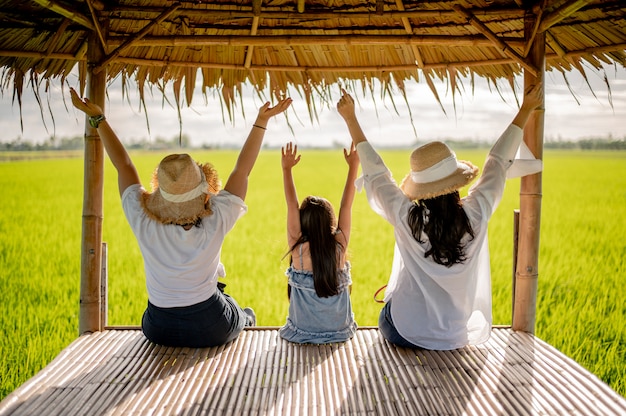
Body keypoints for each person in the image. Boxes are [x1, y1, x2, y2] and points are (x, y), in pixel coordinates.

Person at [70, 87, 292, 348]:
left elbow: (124, 166)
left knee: (218, 301)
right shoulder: (216, 219)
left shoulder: (143, 220)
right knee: (232, 306)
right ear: (203, 190)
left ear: (160, 194)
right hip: (211, 326)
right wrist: (261, 121)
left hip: (158, 326)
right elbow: (241, 171)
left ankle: (240, 317)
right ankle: (245, 318)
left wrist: (99, 120)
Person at [336, 85, 543, 350]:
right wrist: (525, 110)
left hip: (406, 332)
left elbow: (377, 175)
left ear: (420, 189)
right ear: (456, 183)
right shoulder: (476, 213)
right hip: (455, 336)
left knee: (389, 308)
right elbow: (497, 162)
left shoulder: (407, 216)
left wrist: (351, 118)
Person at [278, 141, 359, 344]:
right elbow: (346, 205)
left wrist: (286, 169)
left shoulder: (298, 246)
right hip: (340, 332)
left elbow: (290, 204)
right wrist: (353, 167)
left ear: (303, 221)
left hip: (302, 332)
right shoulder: (339, 245)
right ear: (330, 221)